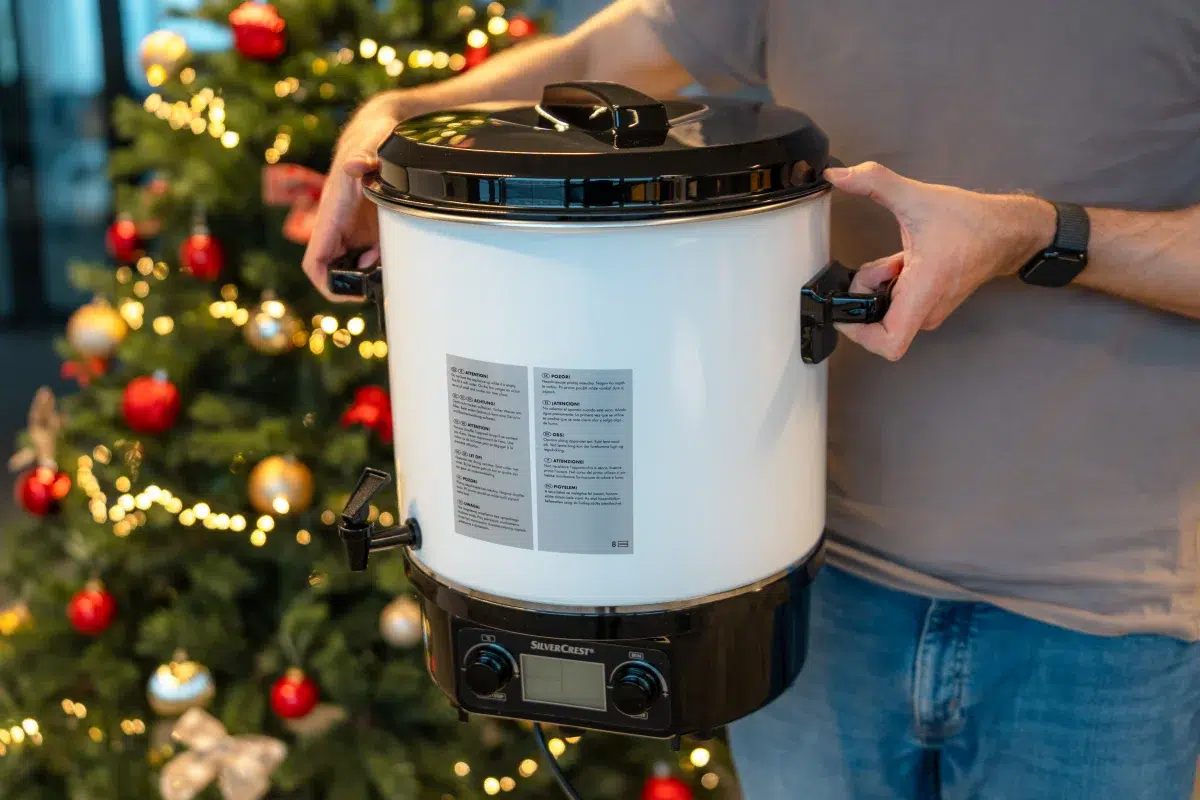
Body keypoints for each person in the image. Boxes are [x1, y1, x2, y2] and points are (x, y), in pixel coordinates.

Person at [303, 2, 1200, 796]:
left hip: (1100, 608)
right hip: (799, 571)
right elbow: (611, 54)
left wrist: (1037, 233)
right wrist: (395, 116)